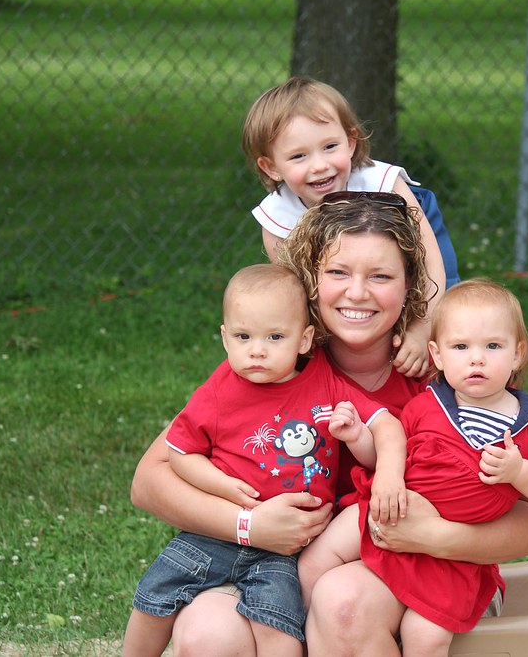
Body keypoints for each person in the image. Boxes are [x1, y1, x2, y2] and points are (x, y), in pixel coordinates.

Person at [129, 196, 528, 657]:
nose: (357, 292)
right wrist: (249, 525)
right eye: (337, 273)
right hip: (263, 559)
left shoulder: (449, 373)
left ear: (411, 284)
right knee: (207, 633)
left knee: (342, 604)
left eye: (381, 276)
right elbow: (150, 480)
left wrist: (438, 536)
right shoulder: (273, 360)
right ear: (310, 282)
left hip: (426, 566)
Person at [122, 263, 407, 657]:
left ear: (305, 340)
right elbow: (179, 453)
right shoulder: (220, 389)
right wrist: (229, 495)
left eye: (274, 337)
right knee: (155, 597)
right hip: (214, 536)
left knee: (280, 627)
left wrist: (357, 436)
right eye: (244, 337)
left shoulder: (324, 382)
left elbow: (384, 426)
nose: (257, 350)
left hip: (285, 552)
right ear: (225, 338)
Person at [299, 278, 528, 655]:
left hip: (455, 555)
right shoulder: (429, 405)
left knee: (424, 636)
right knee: (316, 563)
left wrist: (521, 473)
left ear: (518, 353)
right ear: (439, 355)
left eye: (493, 346)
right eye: (461, 347)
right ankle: (296, 629)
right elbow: (385, 453)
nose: (476, 358)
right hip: (390, 507)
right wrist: (357, 436)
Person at [243, 75, 461, 378]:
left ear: (351, 142)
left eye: (330, 146)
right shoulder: (278, 218)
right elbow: (295, 295)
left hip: (411, 238)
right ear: (271, 167)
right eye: (299, 156)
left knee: (452, 311)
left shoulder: (383, 181)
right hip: (342, 275)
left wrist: (423, 329)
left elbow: (430, 261)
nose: (319, 165)